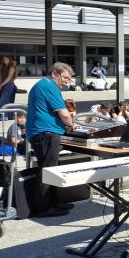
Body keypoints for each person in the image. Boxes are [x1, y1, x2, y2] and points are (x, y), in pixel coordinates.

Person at [26, 62, 77, 217]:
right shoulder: (49, 86)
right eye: (65, 78)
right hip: (46, 133)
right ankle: (43, 208)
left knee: (51, 169)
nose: (67, 82)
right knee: (47, 171)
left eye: (69, 79)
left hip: (43, 132)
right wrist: (70, 125)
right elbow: (64, 113)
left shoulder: (42, 85)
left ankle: (53, 202)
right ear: (54, 74)